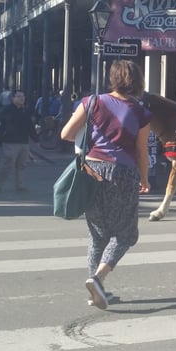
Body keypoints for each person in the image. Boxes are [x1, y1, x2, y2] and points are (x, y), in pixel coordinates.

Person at [61, 60, 152, 310]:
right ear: (138, 80)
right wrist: (144, 178)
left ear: (112, 78)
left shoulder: (91, 102)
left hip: (91, 170)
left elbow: (66, 134)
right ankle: (97, 279)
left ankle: (95, 294)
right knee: (126, 234)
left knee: (98, 234)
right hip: (123, 173)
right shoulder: (140, 112)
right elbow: (141, 151)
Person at [0, 90, 38, 193]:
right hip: (10, 141)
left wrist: (35, 138)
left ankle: (20, 185)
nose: (22, 98)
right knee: (7, 164)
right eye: (19, 96)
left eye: (23, 96)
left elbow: (30, 126)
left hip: (23, 141)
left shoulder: (26, 111)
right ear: (13, 98)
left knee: (21, 165)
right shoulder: (6, 110)